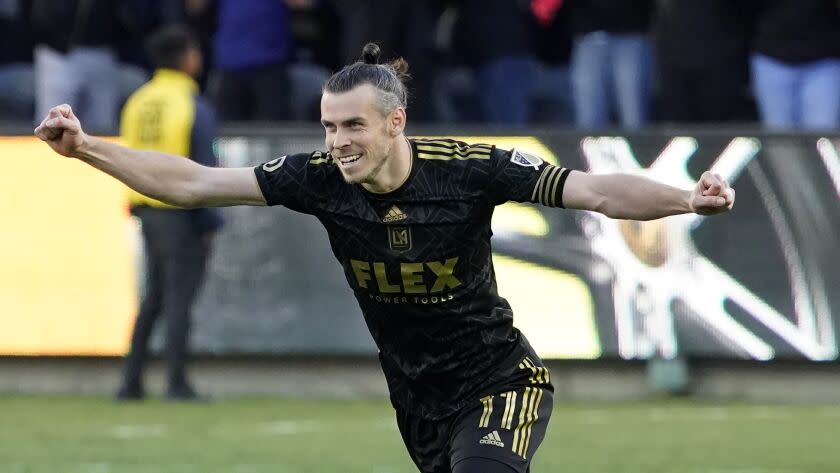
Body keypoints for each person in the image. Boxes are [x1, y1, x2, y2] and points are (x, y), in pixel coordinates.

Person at [35, 43, 734, 472]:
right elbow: (190, 182)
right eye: (330, 126)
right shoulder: (314, 178)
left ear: (395, 122)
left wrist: (684, 199)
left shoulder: (469, 170)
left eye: (354, 126)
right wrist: (86, 148)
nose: (338, 141)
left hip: (499, 380)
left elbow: (598, 192)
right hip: (417, 398)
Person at [115, 25, 224, 401]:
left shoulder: (138, 100)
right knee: (179, 300)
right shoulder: (191, 103)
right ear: (188, 58)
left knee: (153, 299)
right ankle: (177, 384)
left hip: (146, 209)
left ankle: (131, 382)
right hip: (182, 213)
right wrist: (210, 222)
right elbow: (205, 168)